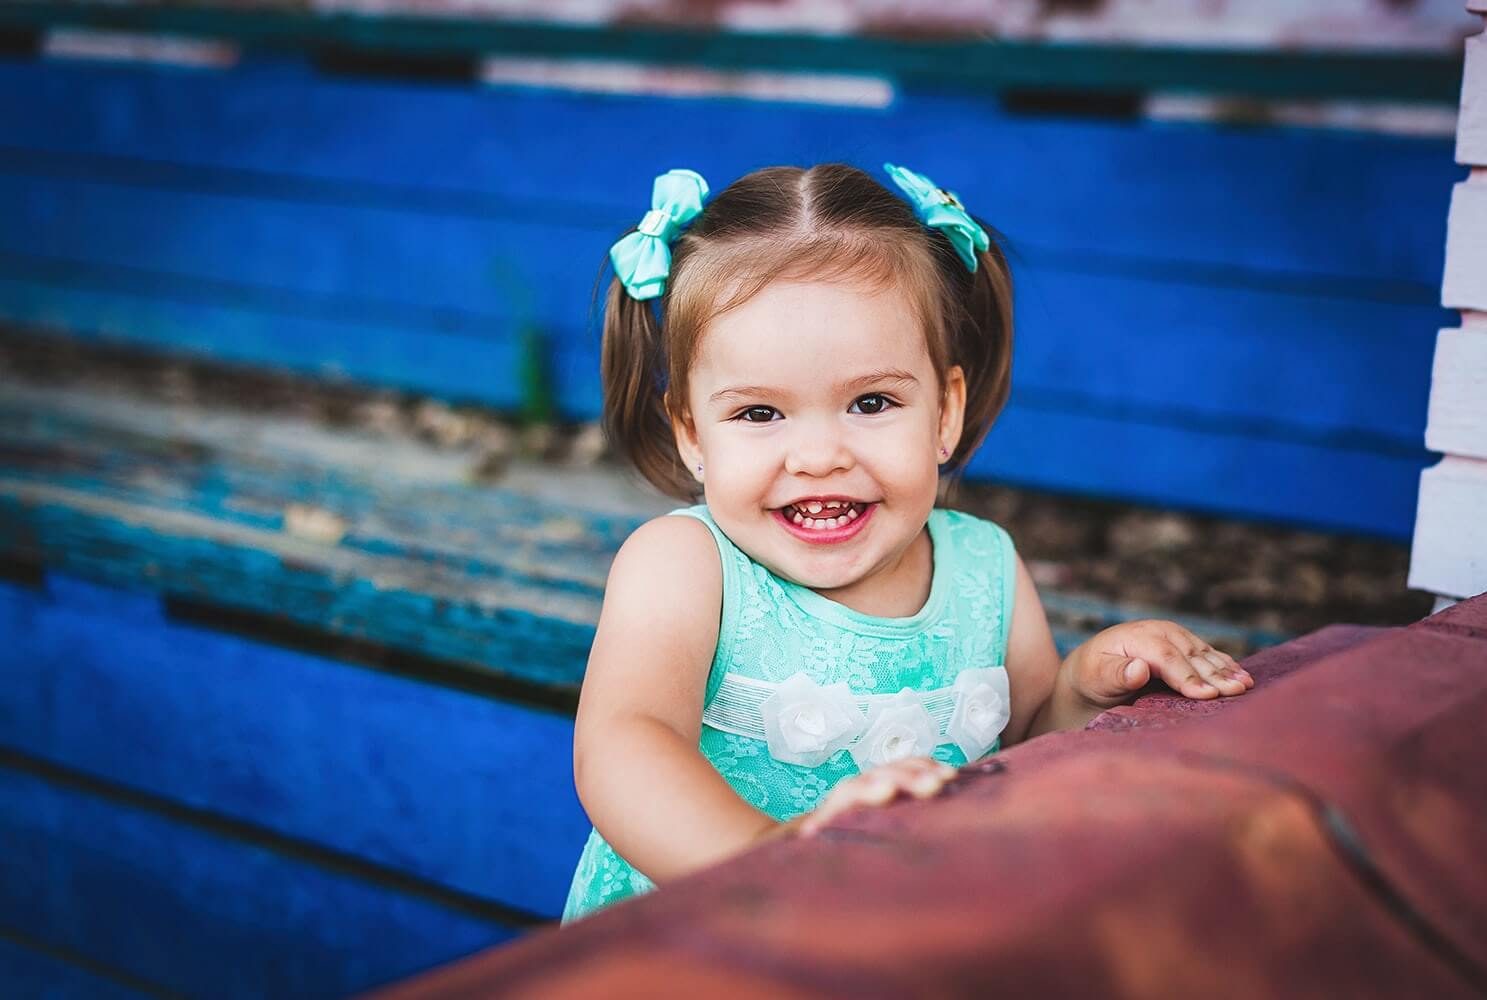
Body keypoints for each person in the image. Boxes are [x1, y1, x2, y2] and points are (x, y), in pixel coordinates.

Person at [562, 163, 1253, 923]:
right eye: (759, 414)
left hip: (908, 938)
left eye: (870, 402)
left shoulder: (984, 566)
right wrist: (768, 855)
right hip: (700, 944)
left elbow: (1024, 748)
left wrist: (1081, 691)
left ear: (944, 413)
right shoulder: (685, 566)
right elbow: (626, 743)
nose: (818, 456)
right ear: (693, 434)